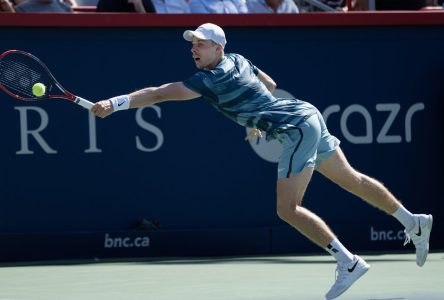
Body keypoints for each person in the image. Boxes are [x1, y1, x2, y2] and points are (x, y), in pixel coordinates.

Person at [91, 23, 433, 300]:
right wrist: (256, 117)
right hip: (306, 113)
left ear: (218, 48)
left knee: (287, 209)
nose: (194, 48)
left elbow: (158, 93)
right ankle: (413, 221)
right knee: (351, 179)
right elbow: (268, 83)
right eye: (192, 43)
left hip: (296, 129)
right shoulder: (240, 60)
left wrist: (114, 102)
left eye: (201, 43)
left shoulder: (209, 80)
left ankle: (349, 262)